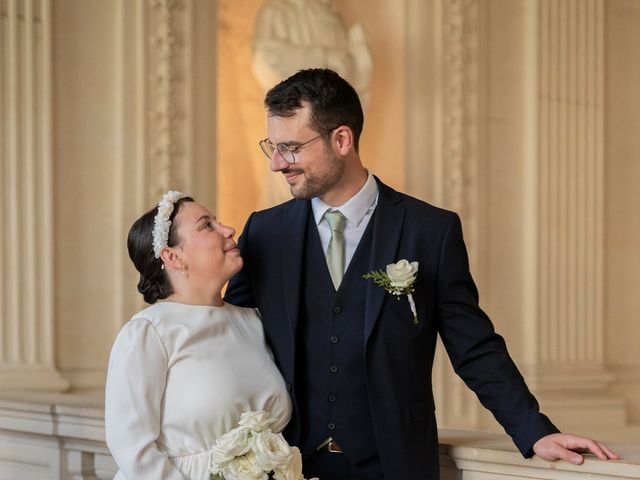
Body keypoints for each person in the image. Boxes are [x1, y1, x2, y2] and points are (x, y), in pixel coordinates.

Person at [224, 68, 619, 480]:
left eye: (290, 148)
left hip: (393, 464)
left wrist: (535, 431)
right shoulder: (264, 232)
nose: (276, 164)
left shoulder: (430, 231)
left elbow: (474, 345)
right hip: (287, 463)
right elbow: (227, 337)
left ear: (342, 140)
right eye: (273, 146)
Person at [105, 192, 292, 479]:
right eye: (207, 226)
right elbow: (132, 447)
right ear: (173, 256)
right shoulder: (149, 332)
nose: (228, 230)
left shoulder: (253, 321)